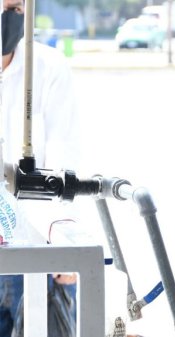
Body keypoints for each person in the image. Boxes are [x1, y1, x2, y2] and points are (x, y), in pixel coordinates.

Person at [1, 0, 81, 336]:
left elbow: (62, 160)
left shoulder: (47, 67)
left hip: (34, 254)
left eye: (16, 8)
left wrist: (63, 242)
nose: (6, 17)